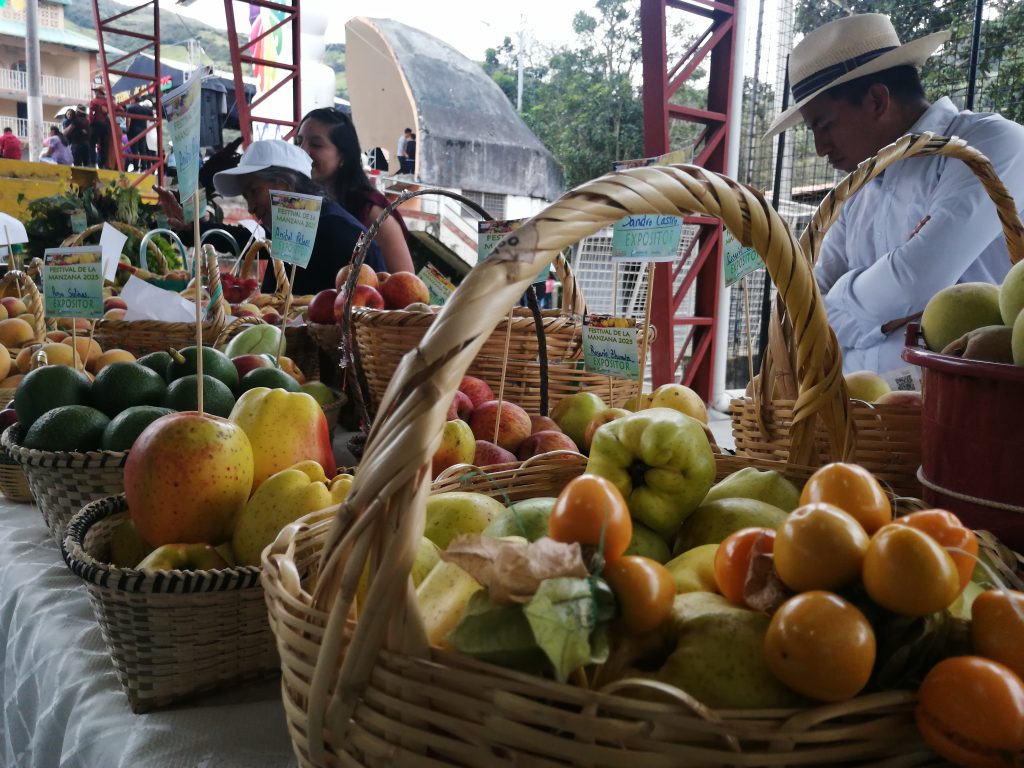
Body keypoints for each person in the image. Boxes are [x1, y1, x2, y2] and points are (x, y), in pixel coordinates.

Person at [764, 13, 1024, 375]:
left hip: (975, 413)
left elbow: (915, 281)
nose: (820, 148)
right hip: (868, 416)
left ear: (876, 101)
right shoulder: (856, 194)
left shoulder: (993, 145)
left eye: (823, 125)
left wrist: (841, 306)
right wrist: (877, 298)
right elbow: (807, 301)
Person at [157, 140, 383, 295]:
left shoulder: (341, 234)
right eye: (246, 197)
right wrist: (190, 228)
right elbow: (245, 240)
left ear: (285, 186)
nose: (251, 207)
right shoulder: (302, 223)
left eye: (253, 192)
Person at [297, 108, 415, 273]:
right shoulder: (299, 203)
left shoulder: (373, 212)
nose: (302, 150)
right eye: (298, 142)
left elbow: (404, 282)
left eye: (316, 144)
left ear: (343, 156)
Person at [88, 86, 119, 170]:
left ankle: (93, 162)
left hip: (96, 124)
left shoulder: (94, 101)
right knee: (104, 145)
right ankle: (103, 164)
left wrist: (90, 123)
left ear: (99, 92)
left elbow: (91, 114)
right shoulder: (110, 102)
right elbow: (120, 109)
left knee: (92, 143)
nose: (95, 93)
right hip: (107, 126)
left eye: (96, 92)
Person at [125, 95, 154, 170]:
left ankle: (135, 167)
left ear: (134, 100)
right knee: (142, 149)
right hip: (143, 131)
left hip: (133, 131)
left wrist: (127, 130)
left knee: (134, 149)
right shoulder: (144, 109)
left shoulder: (130, 108)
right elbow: (152, 116)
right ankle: (144, 166)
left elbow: (128, 120)